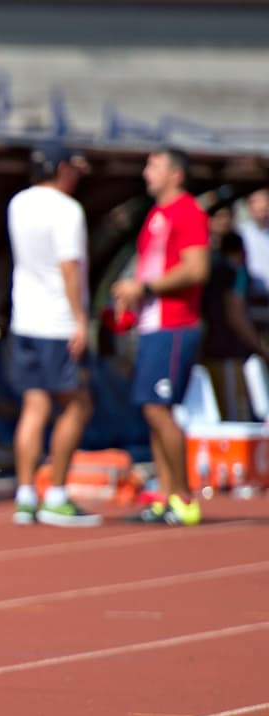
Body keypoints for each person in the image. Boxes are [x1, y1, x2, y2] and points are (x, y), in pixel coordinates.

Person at [112, 148, 209, 525]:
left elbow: (196, 269)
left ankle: (183, 496)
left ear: (176, 175)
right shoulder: (156, 215)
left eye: (154, 165)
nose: (145, 172)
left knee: (159, 409)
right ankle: (166, 496)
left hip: (175, 322)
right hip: (153, 324)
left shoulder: (187, 212)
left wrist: (146, 287)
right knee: (152, 410)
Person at [6, 141, 100, 527]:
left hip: (25, 318)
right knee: (77, 405)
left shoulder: (18, 203)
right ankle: (57, 493)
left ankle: (26, 494)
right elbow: (69, 267)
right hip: (57, 321)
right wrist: (80, 319)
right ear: (62, 169)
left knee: (35, 405)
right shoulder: (67, 210)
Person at [201, 228, 269, 419]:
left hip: (210, 352)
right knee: (235, 418)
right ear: (240, 252)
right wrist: (260, 348)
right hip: (230, 354)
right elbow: (236, 314)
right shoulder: (234, 273)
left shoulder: (212, 270)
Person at [237, 188, 269, 299]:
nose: (262, 206)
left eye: (265, 200)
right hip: (251, 296)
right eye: (256, 201)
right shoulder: (242, 234)